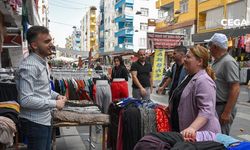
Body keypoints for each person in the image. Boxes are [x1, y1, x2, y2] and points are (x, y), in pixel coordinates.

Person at [16, 26, 67, 150]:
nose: (51, 44)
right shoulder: (30, 66)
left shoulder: (42, 62)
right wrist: (55, 103)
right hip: (35, 122)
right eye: (46, 42)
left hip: (44, 119)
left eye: (50, 41)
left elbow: (42, 89)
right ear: (34, 45)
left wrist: (56, 96)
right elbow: (25, 100)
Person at [176, 45, 221, 140]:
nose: (184, 59)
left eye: (188, 57)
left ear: (199, 61)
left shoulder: (204, 80)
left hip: (201, 134)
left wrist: (192, 128)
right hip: (187, 132)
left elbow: (206, 110)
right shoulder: (189, 77)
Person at [206, 33, 240, 135]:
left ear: (215, 46)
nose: (209, 48)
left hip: (223, 108)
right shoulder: (217, 61)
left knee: (220, 138)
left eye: (209, 46)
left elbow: (235, 88)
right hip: (216, 106)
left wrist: (226, 112)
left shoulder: (228, 62)